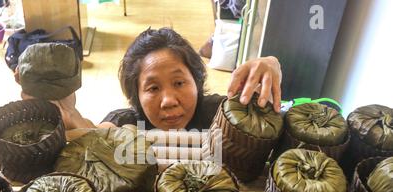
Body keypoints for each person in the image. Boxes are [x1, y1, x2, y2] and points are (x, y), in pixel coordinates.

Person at [100, 27, 282, 131]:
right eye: (153, 88)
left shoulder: (222, 115)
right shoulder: (123, 125)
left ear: (196, 81)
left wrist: (272, 66)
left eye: (179, 83)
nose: (169, 101)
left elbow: (266, 115)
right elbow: (101, 135)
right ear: (136, 95)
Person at [14, 42, 95, 130]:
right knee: (112, 115)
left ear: (17, 77)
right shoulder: (82, 126)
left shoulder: (15, 122)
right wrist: (71, 113)